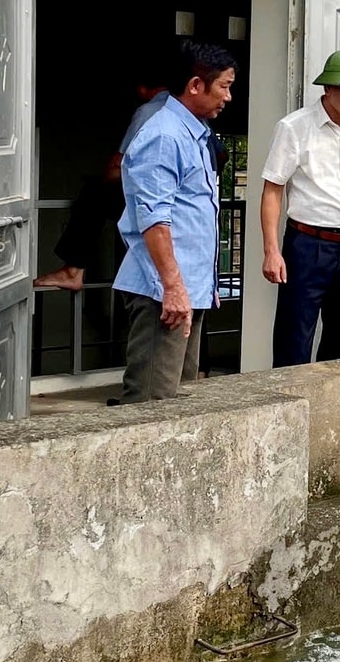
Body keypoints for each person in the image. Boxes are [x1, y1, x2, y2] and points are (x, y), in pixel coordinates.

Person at [115, 42, 236, 401]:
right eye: (224, 86)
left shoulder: (193, 132)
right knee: (151, 404)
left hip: (185, 291)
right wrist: (173, 288)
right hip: (163, 294)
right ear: (196, 85)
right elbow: (155, 219)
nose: (228, 97)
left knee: (178, 402)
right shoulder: (165, 135)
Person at [261, 48, 340, 367]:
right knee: (294, 339)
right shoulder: (295, 128)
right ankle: (291, 411)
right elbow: (273, 189)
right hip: (307, 246)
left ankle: (329, 414)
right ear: (328, 88)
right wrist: (271, 250)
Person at [34, 50, 176, 293]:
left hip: (153, 204)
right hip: (181, 207)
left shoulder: (149, 111)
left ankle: (73, 269)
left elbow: (115, 170)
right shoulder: (186, 112)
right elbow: (220, 155)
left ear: (142, 88)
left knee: (95, 192)